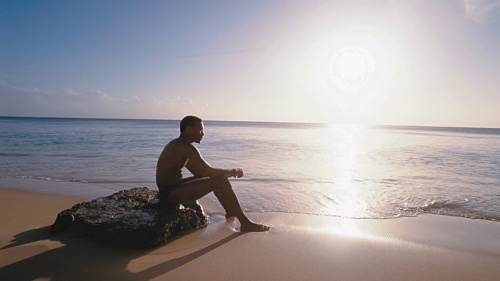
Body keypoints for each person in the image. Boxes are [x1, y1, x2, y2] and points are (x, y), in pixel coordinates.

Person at [156, 115, 269, 232]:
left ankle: (230, 212)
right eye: (200, 130)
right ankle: (245, 223)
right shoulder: (185, 147)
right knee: (221, 181)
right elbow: (210, 172)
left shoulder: (179, 144)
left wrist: (222, 174)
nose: (203, 133)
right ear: (189, 129)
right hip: (170, 194)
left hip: (169, 191)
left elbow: (203, 173)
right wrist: (233, 171)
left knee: (216, 179)